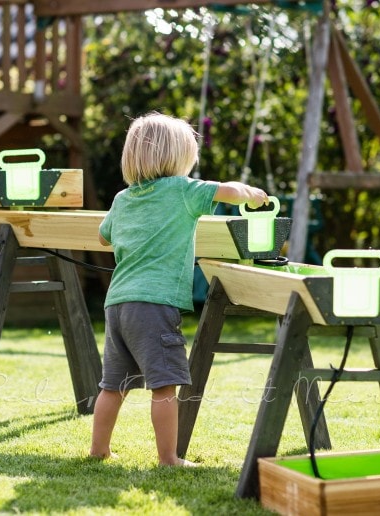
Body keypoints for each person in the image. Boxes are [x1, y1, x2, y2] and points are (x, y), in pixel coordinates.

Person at [89, 112, 270, 466]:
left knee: (113, 385)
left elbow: (102, 235)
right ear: (178, 157)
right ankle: (169, 458)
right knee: (164, 386)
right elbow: (228, 192)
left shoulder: (123, 199)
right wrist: (253, 194)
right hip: (155, 305)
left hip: (118, 304)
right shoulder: (182, 190)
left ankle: (99, 450)